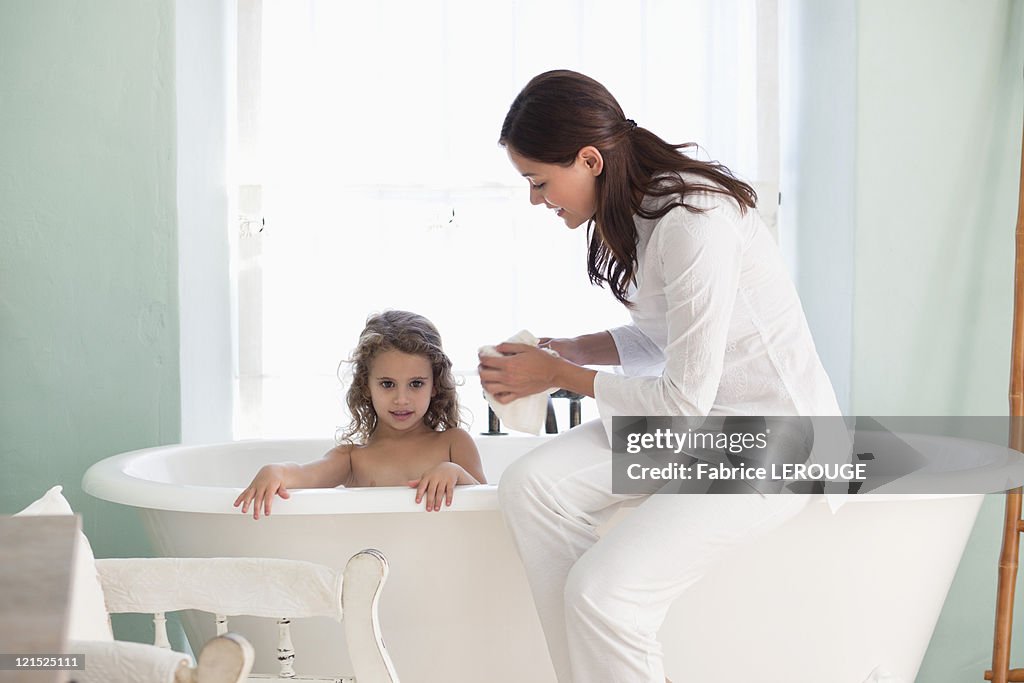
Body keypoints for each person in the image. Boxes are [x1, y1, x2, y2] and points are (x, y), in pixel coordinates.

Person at [477, 70, 841, 683]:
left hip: (774, 439)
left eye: (539, 181)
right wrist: (568, 350)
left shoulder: (696, 223)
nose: (538, 199)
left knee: (603, 593)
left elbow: (680, 399)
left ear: (589, 159)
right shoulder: (642, 213)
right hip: (700, 428)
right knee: (530, 487)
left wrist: (562, 375)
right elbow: (665, 339)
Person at [235, 310, 485, 519]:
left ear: (435, 386)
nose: (401, 399)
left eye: (416, 384)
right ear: (367, 386)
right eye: (387, 384)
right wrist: (276, 471)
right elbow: (304, 474)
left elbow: (489, 507)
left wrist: (455, 472)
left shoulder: (454, 443)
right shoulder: (353, 458)